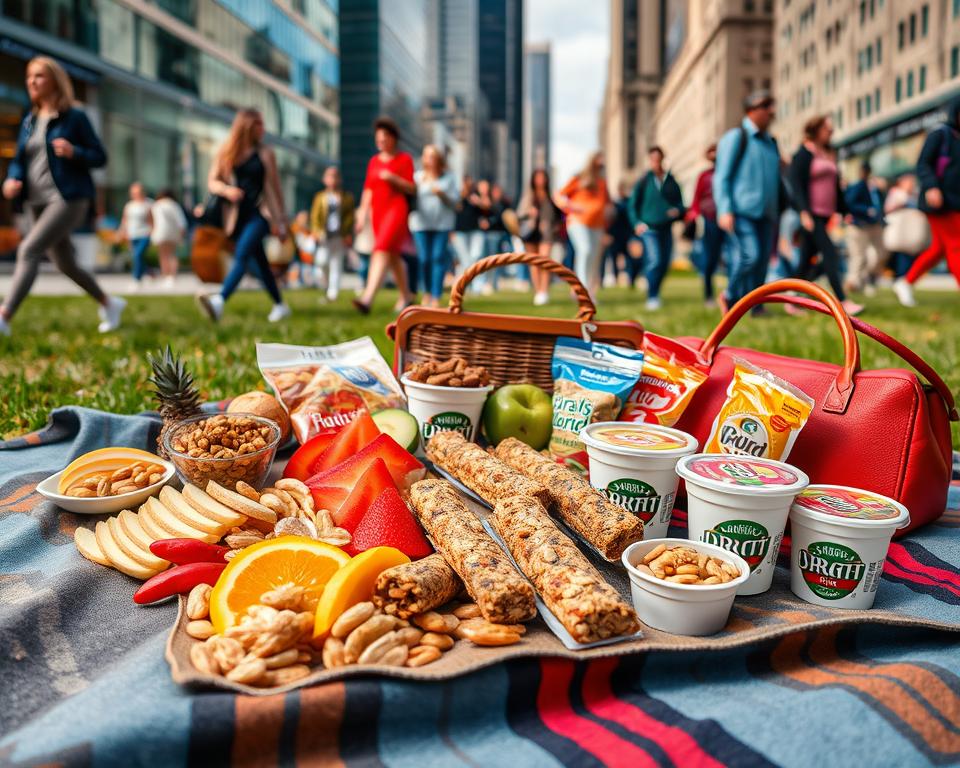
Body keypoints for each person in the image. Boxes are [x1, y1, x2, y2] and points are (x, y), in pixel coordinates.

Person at [0, 56, 124, 337]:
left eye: (39, 76)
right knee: (64, 262)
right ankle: (109, 303)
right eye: (29, 76)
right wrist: (12, 178)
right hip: (35, 200)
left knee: (28, 249)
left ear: (55, 80)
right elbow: (20, 159)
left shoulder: (75, 117)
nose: (32, 81)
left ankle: (4, 315)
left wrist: (74, 152)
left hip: (67, 197)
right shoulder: (29, 120)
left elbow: (99, 156)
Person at [197, 108, 290, 323]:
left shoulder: (266, 153)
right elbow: (212, 181)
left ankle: (219, 301)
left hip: (260, 215)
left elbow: (275, 189)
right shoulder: (226, 151)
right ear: (247, 126)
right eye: (259, 124)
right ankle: (280, 305)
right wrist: (227, 190)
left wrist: (282, 222)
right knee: (261, 264)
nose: (263, 129)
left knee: (241, 254)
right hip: (235, 217)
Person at [713, 90, 782, 312]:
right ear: (750, 110)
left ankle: (755, 306)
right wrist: (724, 209)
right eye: (765, 105)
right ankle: (730, 295)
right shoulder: (736, 137)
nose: (771, 111)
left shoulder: (770, 142)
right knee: (750, 256)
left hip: (767, 212)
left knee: (762, 261)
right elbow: (722, 176)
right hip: (742, 211)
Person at [789, 114, 863, 315]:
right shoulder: (804, 153)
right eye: (827, 130)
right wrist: (803, 212)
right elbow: (796, 185)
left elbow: (835, 187)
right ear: (816, 130)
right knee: (830, 253)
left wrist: (844, 211)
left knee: (806, 261)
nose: (831, 133)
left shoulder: (829, 152)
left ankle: (791, 298)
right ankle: (842, 301)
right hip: (811, 215)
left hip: (825, 214)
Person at [893, 96, 960, 306]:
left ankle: (905, 282)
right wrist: (931, 186)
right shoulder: (940, 134)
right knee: (956, 246)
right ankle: (905, 282)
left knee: (939, 249)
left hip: (955, 204)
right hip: (938, 203)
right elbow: (923, 164)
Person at [353, 116, 416, 314]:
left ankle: (367, 298)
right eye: (377, 140)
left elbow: (412, 188)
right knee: (393, 255)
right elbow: (368, 189)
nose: (380, 143)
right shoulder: (374, 162)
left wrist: (393, 179)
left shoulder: (404, 159)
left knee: (381, 249)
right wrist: (362, 214)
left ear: (393, 138)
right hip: (377, 213)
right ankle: (406, 296)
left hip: (396, 210)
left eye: (384, 139)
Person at [627, 146, 685, 310]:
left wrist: (677, 210)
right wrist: (636, 223)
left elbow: (681, 204)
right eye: (653, 159)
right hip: (649, 229)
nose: (656, 163)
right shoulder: (644, 180)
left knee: (664, 263)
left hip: (666, 228)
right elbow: (632, 205)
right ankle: (651, 296)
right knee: (655, 260)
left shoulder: (671, 180)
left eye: (658, 159)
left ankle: (656, 292)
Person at [408, 144, 458, 307]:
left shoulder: (448, 178)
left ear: (438, 159)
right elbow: (409, 199)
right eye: (426, 155)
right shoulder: (417, 177)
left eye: (432, 156)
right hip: (420, 225)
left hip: (442, 225)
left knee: (438, 258)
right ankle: (427, 292)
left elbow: (456, 203)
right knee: (424, 259)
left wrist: (442, 195)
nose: (429, 159)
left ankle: (436, 295)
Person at [557, 151, 611, 298]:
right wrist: (571, 207)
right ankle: (582, 292)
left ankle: (588, 291)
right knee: (585, 251)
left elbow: (606, 204)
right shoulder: (579, 178)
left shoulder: (602, 182)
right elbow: (559, 196)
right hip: (578, 222)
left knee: (594, 259)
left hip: (597, 225)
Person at [310, 165, 355, 301]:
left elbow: (350, 217)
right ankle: (326, 285)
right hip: (324, 236)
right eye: (330, 176)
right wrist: (316, 231)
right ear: (324, 179)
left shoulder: (347, 197)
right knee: (321, 261)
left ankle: (333, 293)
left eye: (335, 176)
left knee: (336, 263)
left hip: (338, 236)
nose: (333, 180)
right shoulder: (320, 197)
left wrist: (347, 234)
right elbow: (315, 216)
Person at [685, 144, 723, 306]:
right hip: (709, 221)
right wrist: (694, 215)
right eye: (711, 151)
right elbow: (696, 199)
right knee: (710, 259)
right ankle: (709, 295)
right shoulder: (704, 176)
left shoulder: (727, 172)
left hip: (728, 220)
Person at [518, 169, 562, 305]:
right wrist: (529, 213)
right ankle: (537, 292)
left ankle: (544, 291)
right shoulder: (528, 196)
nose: (540, 180)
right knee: (534, 263)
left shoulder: (551, 196)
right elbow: (519, 215)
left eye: (543, 177)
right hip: (530, 233)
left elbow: (559, 215)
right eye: (538, 177)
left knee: (545, 261)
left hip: (546, 233)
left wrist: (553, 226)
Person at [843, 161, 886, 296]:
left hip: (874, 224)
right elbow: (849, 203)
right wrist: (867, 210)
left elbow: (880, 204)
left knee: (880, 253)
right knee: (859, 256)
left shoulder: (874, 187)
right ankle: (853, 282)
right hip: (860, 224)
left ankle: (864, 279)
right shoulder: (858, 186)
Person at [884, 173, 920, 281]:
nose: (911, 185)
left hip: (911, 231)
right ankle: (900, 278)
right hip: (899, 230)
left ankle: (904, 279)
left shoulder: (914, 195)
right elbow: (887, 209)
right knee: (900, 256)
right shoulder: (896, 193)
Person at [150, 188, 187, 289]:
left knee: (163, 255)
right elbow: (181, 221)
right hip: (173, 232)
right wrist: (182, 234)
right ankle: (172, 277)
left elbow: (153, 221)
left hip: (160, 232)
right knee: (172, 254)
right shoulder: (174, 205)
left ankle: (166, 276)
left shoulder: (156, 205)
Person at [119, 182, 153, 290]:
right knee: (138, 256)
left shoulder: (148, 204)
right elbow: (125, 220)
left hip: (145, 233)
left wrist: (152, 232)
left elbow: (152, 220)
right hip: (132, 234)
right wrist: (122, 231)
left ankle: (136, 279)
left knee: (138, 255)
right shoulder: (129, 205)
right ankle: (148, 273)